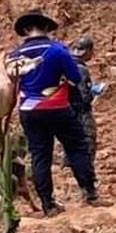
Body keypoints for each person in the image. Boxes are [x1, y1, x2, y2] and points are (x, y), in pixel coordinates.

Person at [6, 11, 100, 215]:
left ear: (25, 30)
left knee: (40, 155)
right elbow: (74, 77)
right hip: (57, 107)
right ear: (47, 28)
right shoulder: (58, 50)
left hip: (29, 111)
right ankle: (90, 193)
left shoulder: (13, 56)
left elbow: (13, 82)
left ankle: (48, 204)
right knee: (77, 147)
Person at [69, 35, 104, 166]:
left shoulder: (66, 64)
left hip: (66, 112)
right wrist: (94, 91)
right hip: (81, 114)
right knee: (88, 144)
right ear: (88, 51)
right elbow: (84, 97)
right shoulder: (81, 69)